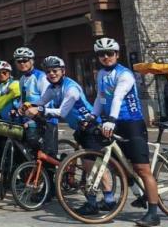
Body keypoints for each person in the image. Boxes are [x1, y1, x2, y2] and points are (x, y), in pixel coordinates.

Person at [23, 56, 109, 217]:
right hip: (79, 129)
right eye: (48, 72)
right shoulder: (52, 88)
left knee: (92, 166)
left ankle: (105, 199)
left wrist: (40, 111)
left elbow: (62, 112)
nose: (51, 74)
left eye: (55, 71)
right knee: (90, 166)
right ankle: (103, 199)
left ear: (63, 71)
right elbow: (41, 101)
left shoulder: (71, 88)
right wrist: (29, 106)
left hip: (91, 127)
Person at [90, 38, 161, 227]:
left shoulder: (125, 74)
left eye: (110, 53)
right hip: (115, 123)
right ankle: (140, 195)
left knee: (142, 169)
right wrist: (92, 116)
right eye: (101, 54)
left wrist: (111, 120)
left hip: (132, 123)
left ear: (117, 54)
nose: (106, 57)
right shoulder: (101, 74)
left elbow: (119, 97)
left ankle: (153, 213)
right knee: (121, 163)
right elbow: (101, 97)